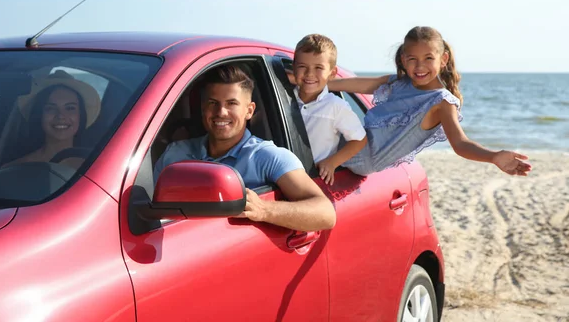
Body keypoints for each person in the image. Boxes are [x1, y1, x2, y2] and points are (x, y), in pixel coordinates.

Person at [328, 26, 532, 176]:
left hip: (363, 157)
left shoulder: (441, 102)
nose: (419, 66)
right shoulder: (397, 83)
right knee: (323, 107)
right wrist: (311, 81)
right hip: (353, 147)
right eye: (412, 59)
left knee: (329, 111)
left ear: (442, 60)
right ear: (403, 60)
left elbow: (461, 143)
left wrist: (493, 156)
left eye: (428, 58)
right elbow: (345, 84)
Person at [153, 64, 336, 232]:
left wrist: (264, 209)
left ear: (249, 110)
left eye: (231, 103)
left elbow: (325, 213)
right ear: (203, 108)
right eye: (212, 103)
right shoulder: (175, 153)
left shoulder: (267, 156)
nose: (221, 112)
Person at [291, 34, 367, 185]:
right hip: (285, 176)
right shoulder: (285, 96)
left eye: (318, 68)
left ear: (332, 73)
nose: (309, 74)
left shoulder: (336, 106)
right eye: (302, 67)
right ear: (293, 67)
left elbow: (359, 140)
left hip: (313, 179)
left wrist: (332, 162)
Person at [3, 70, 101, 167]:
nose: (61, 115)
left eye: (70, 108)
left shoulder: (100, 169)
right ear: (39, 114)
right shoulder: (14, 170)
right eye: (50, 108)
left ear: (81, 115)